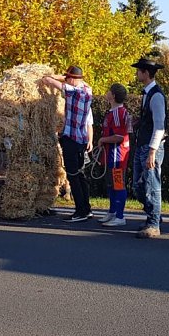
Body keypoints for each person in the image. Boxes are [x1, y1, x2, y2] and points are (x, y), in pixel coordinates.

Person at [41, 66, 94, 222]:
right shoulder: (87, 90)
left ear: (72, 79)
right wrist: (64, 77)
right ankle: (86, 208)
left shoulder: (73, 92)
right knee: (81, 175)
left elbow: (48, 80)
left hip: (71, 139)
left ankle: (80, 211)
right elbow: (68, 81)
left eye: (68, 78)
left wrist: (48, 76)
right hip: (81, 140)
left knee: (73, 175)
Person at [131, 58, 167, 238]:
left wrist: (152, 151)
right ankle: (154, 216)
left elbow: (160, 126)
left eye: (139, 71)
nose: (137, 73)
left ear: (145, 73)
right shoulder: (148, 94)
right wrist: (139, 122)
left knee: (152, 186)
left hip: (150, 147)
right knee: (138, 186)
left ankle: (154, 223)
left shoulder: (156, 96)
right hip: (142, 144)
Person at [97, 83, 131, 227]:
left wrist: (103, 140)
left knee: (118, 184)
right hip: (110, 154)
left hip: (117, 154)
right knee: (110, 184)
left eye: (109, 91)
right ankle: (112, 211)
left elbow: (120, 136)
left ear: (114, 96)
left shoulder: (118, 113)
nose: (107, 93)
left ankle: (120, 216)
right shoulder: (112, 112)